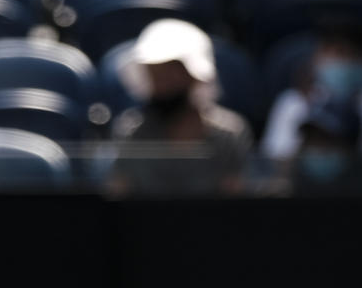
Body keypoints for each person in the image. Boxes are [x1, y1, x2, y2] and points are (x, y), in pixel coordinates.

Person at [107, 18, 253, 196]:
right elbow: (118, 194)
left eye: (170, 74)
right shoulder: (130, 133)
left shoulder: (230, 134)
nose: (161, 85)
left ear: (195, 77)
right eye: (154, 75)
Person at [261, 22, 362, 182]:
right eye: (334, 53)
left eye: (350, 54)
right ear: (316, 58)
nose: (342, 61)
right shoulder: (295, 102)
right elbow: (276, 169)